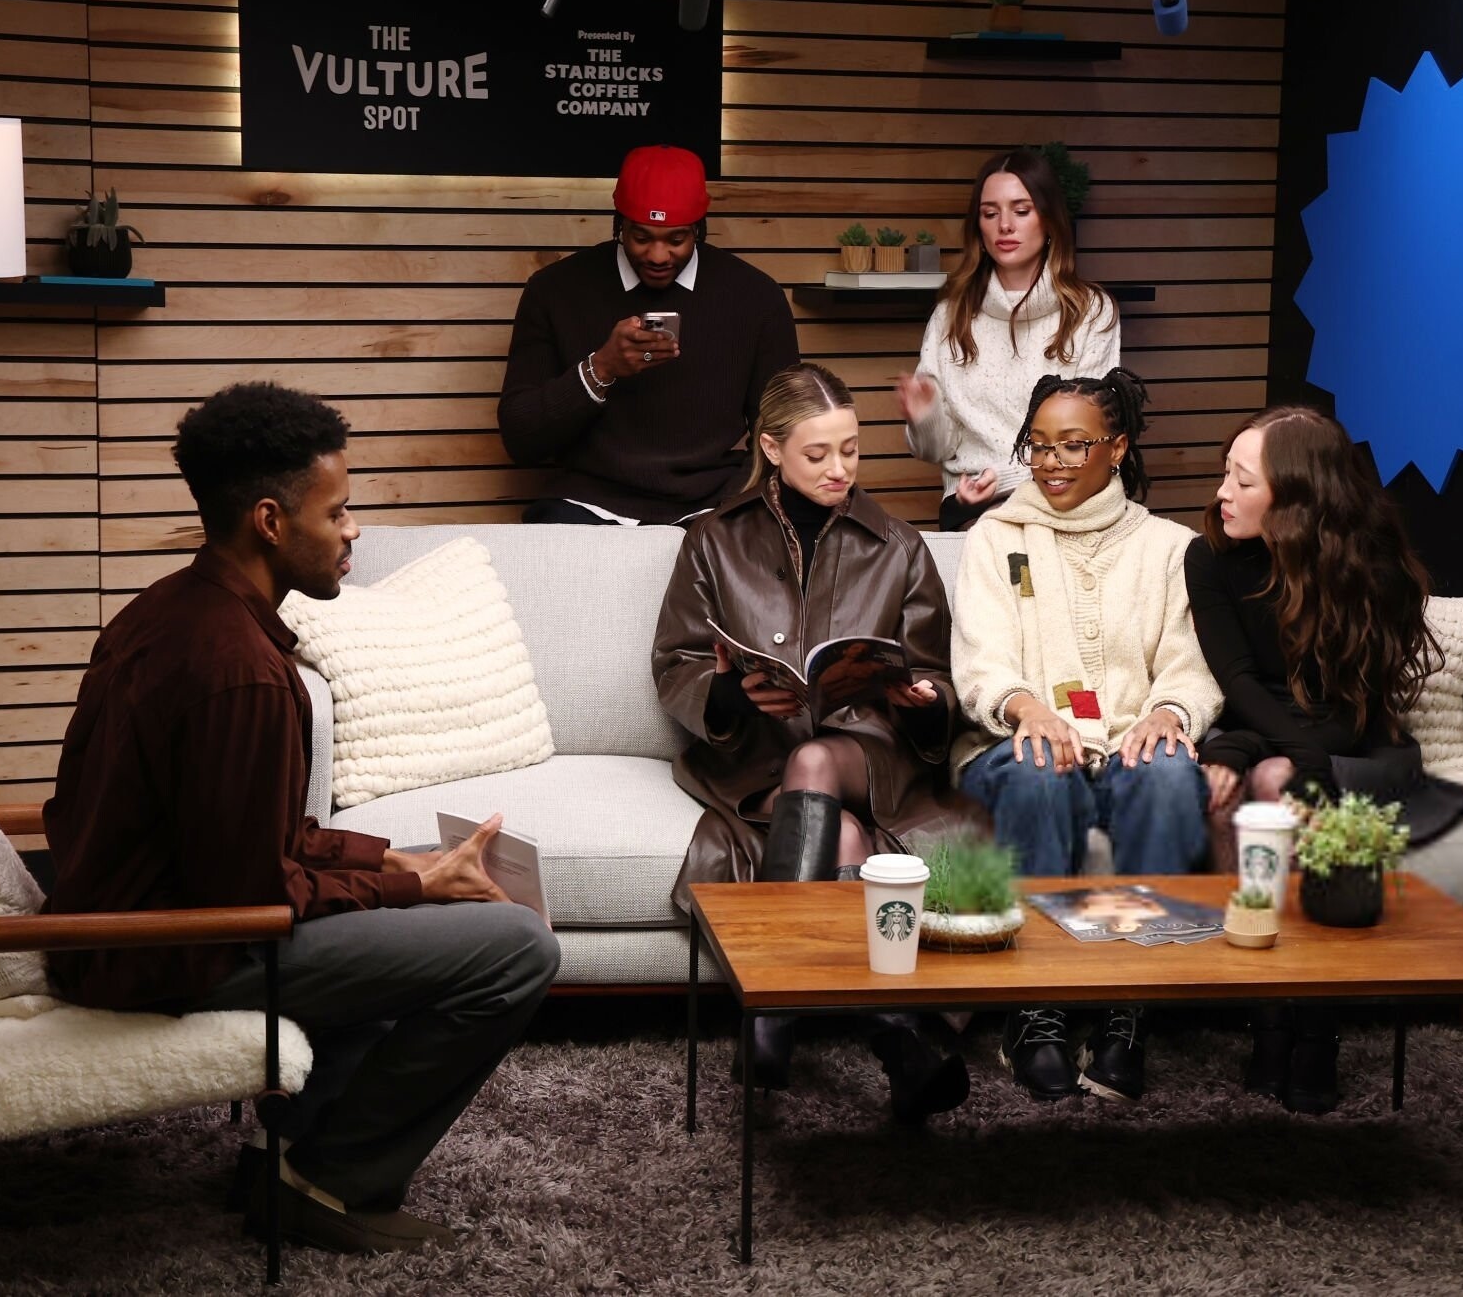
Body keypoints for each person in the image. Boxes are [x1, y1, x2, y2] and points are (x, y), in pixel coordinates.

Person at [43, 382, 559, 1255]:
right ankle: (331, 1182)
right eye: (339, 510)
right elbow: (253, 893)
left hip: (141, 923)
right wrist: (406, 890)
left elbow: (250, 837)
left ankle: (287, 1155)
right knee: (516, 948)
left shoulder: (167, 610)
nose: (354, 530)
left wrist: (397, 863)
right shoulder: (239, 671)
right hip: (171, 951)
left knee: (419, 889)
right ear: (271, 522)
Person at [653, 363, 975, 1123]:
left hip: (871, 753)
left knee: (819, 756)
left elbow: (936, 675)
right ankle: (899, 1041)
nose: (840, 469)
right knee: (843, 834)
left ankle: (769, 1012)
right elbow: (677, 662)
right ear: (771, 449)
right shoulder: (713, 541)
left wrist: (923, 700)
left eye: (851, 450)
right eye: (818, 453)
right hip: (759, 758)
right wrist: (733, 693)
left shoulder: (898, 546)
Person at [1187, 404, 1463, 1114]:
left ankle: (1314, 1027)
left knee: (1272, 782)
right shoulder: (1211, 558)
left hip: (1358, 746)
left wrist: (1283, 758)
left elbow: (1357, 708)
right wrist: (1254, 749)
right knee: (1240, 789)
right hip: (1268, 735)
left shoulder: (1372, 568)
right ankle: (1269, 1018)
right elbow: (1240, 682)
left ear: (1295, 497)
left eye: (1242, 481)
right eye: (1226, 473)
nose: (1222, 492)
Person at [950, 369, 1221, 1103]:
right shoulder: (996, 537)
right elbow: (982, 659)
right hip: (1015, 743)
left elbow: (1191, 664)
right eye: (1039, 446)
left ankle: (1129, 1007)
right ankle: (1033, 1008)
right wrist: (1026, 707)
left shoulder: (1171, 548)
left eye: (1074, 445)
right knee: (1041, 770)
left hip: (1131, 739)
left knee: (1168, 775)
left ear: (1118, 448)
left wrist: (1170, 712)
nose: (1052, 462)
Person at [499, 143, 801, 525]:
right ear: (619, 225)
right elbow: (520, 439)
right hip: (589, 500)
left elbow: (785, 432)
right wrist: (601, 369)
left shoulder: (756, 297)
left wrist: (737, 501)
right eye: (641, 237)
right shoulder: (555, 290)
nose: (658, 256)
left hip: (713, 500)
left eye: (676, 239)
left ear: (699, 228)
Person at [897, 146, 1120, 532]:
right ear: (978, 228)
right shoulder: (951, 316)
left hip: (1067, 502)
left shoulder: (1090, 312)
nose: (1004, 225)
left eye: (1021, 210)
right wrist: (925, 418)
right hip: (973, 510)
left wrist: (1004, 479)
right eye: (990, 213)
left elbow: (1090, 436)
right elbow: (935, 450)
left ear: (1048, 220)